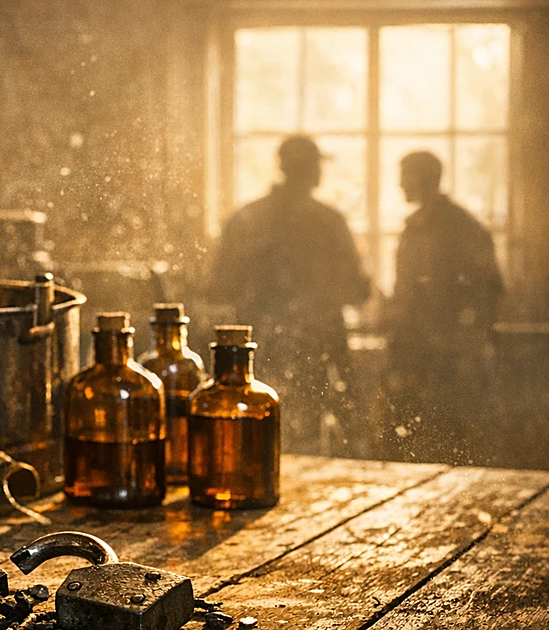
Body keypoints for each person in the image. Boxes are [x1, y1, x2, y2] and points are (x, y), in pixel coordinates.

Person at [208, 135, 371, 455]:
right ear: (311, 169)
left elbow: (219, 287)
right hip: (315, 349)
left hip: (258, 349)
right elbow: (356, 289)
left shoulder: (248, 219)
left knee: (255, 438)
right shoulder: (327, 222)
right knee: (307, 440)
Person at [381, 151, 503, 464]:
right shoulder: (418, 228)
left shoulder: (460, 228)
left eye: (405, 176)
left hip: (447, 357)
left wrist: (465, 342)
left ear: (422, 178)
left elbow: (488, 289)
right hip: (414, 352)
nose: (400, 184)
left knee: (448, 438)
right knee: (410, 437)